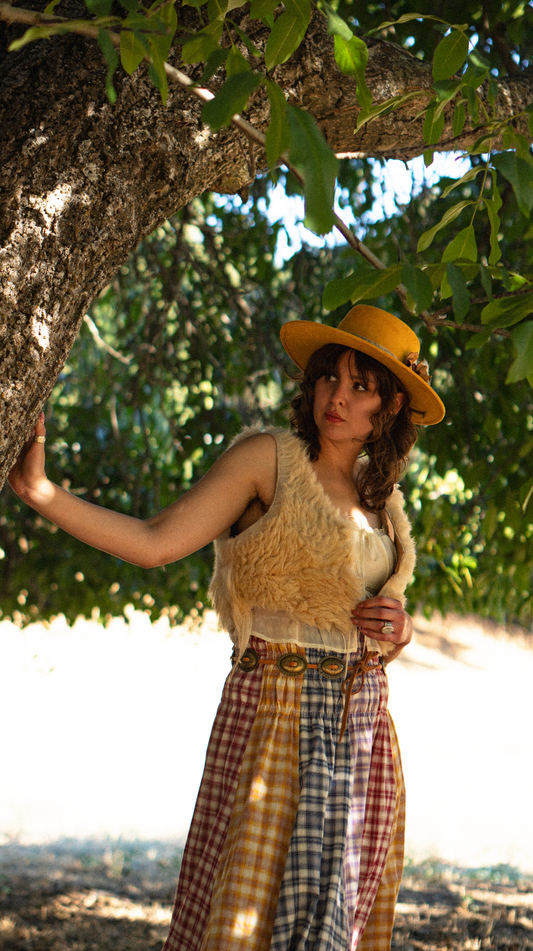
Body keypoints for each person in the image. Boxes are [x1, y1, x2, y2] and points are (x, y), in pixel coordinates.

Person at [9, 304, 445, 951]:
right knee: (244, 917)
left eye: (361, 386)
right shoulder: (267, 459)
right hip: (274, 715)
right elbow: (155, 542)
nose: (337, 397)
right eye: (330, 377)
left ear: (391, 406)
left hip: (361, 731)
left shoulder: (380, 498)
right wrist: (41, 492)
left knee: (333, 926)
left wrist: (398, 634)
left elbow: (361, 620)